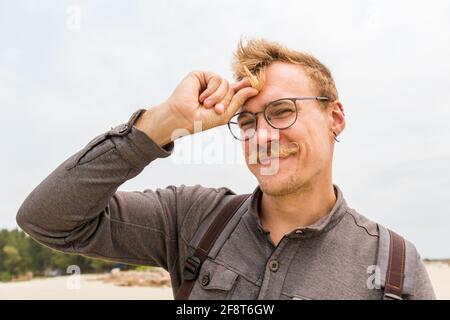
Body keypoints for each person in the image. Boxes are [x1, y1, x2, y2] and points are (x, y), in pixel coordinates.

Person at [16, 38, 435, 299]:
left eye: (282, 111)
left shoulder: (395, 266)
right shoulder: (192, 216)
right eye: (248, 122)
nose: (262, 136)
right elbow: (49, 221)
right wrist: (164, 123)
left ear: (335, 117)